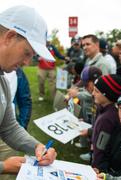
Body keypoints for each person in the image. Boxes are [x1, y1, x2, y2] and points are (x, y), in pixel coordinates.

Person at [0, 5, 56, 174]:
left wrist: (37, 147)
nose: (27, 62)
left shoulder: (3, 79)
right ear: (9, 37)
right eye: (26, 53)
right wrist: (3, 167)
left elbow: (8, 127)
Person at [91, 74, 121, 169]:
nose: (93, 93)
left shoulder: (106, 119)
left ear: (108, 94)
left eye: (96, 91)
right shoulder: (105, 109)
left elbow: (100, 148)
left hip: (101, 167)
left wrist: (96, 167)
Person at [37, 36, 68, 101]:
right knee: (41, 82)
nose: (48, 42)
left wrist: (64, 58)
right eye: (47, 41)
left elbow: (58, 54)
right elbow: (35, 55)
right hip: (42, 68)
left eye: (49, 41)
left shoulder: (52, 47)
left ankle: (54, 97)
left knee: (53, 83)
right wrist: (37, 58)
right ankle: (41, 95)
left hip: (51, 68)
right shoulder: (40, 47)